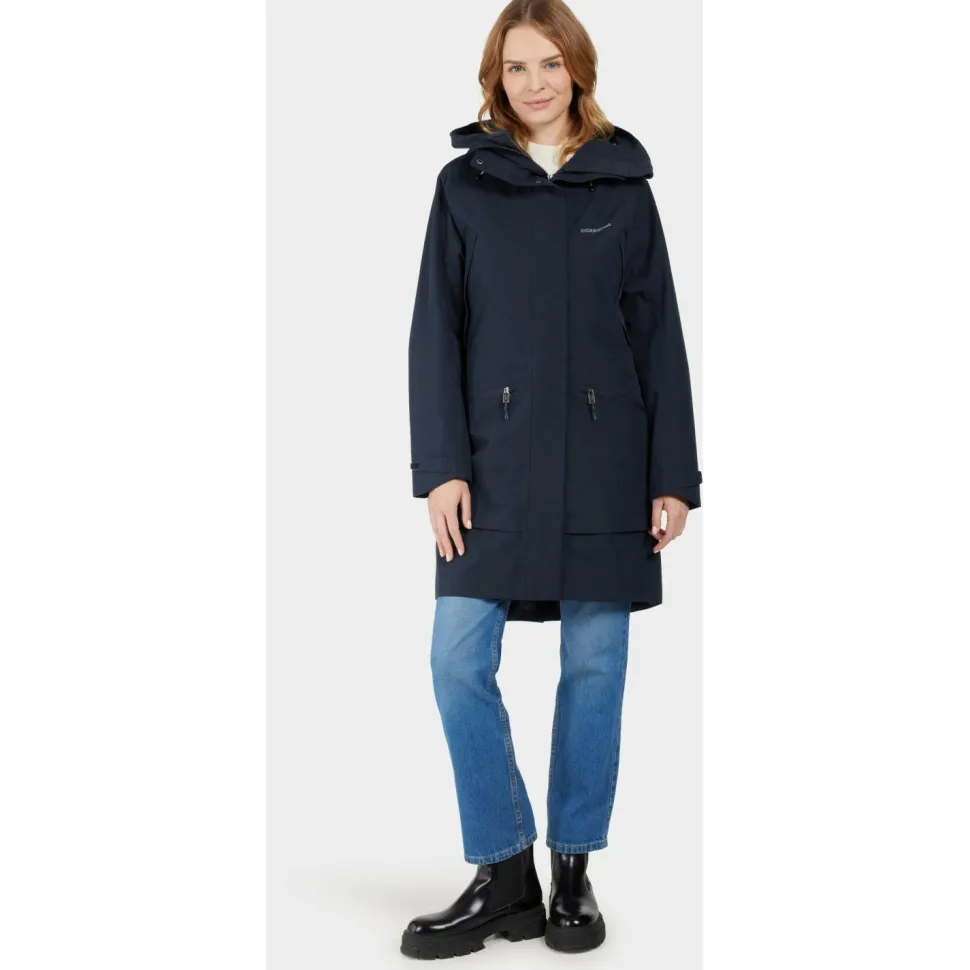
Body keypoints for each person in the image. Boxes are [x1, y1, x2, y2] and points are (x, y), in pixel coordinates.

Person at [401, 0, 702, 959]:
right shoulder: (464, 186)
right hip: (489, 468)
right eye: (515, 66)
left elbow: (658, 340)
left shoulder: (623, 186)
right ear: (496, 77)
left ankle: (572, 868)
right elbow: (434, 334)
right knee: (457, 661)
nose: (533, 82)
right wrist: (442, 468)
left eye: (549, 63)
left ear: (578, 67)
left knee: (596, 667)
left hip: (609, 466)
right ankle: (504, 873)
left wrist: (673, 475)